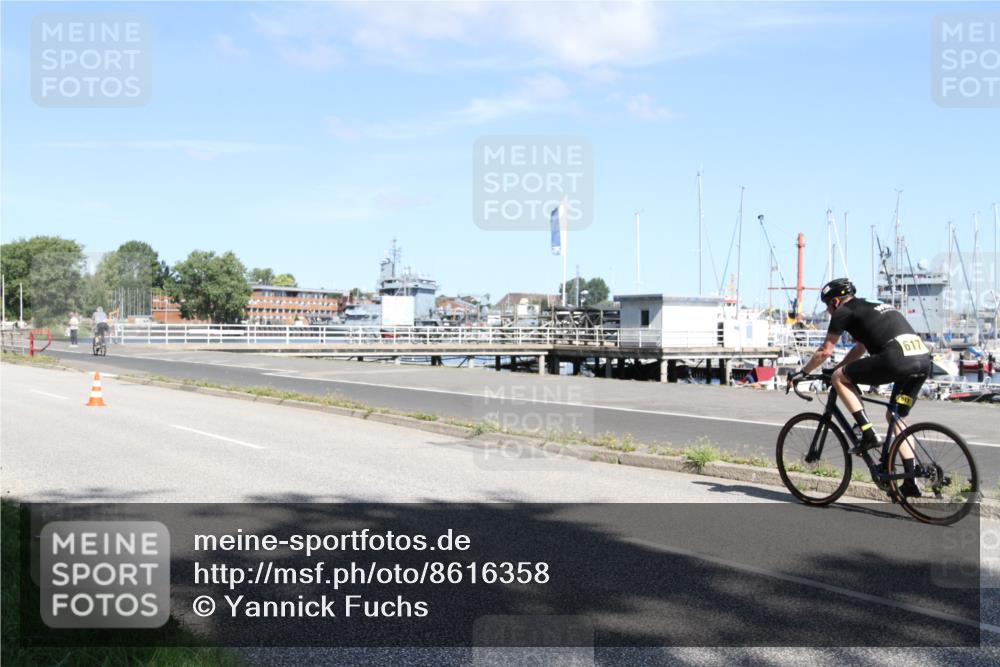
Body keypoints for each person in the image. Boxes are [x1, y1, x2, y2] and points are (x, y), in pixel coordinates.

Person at [792, 278, 930, 498]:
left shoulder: (843, 312)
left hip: (896, 360)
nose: (828, 312)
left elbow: (824, 351)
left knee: (839, 379)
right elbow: (860, 348)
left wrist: (803, 373)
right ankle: (911, 479)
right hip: (922, 362)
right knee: (896, 417)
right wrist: (839, 368)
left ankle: (867, 433)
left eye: (828, 306)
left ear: (836, 301)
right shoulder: (870, 306)